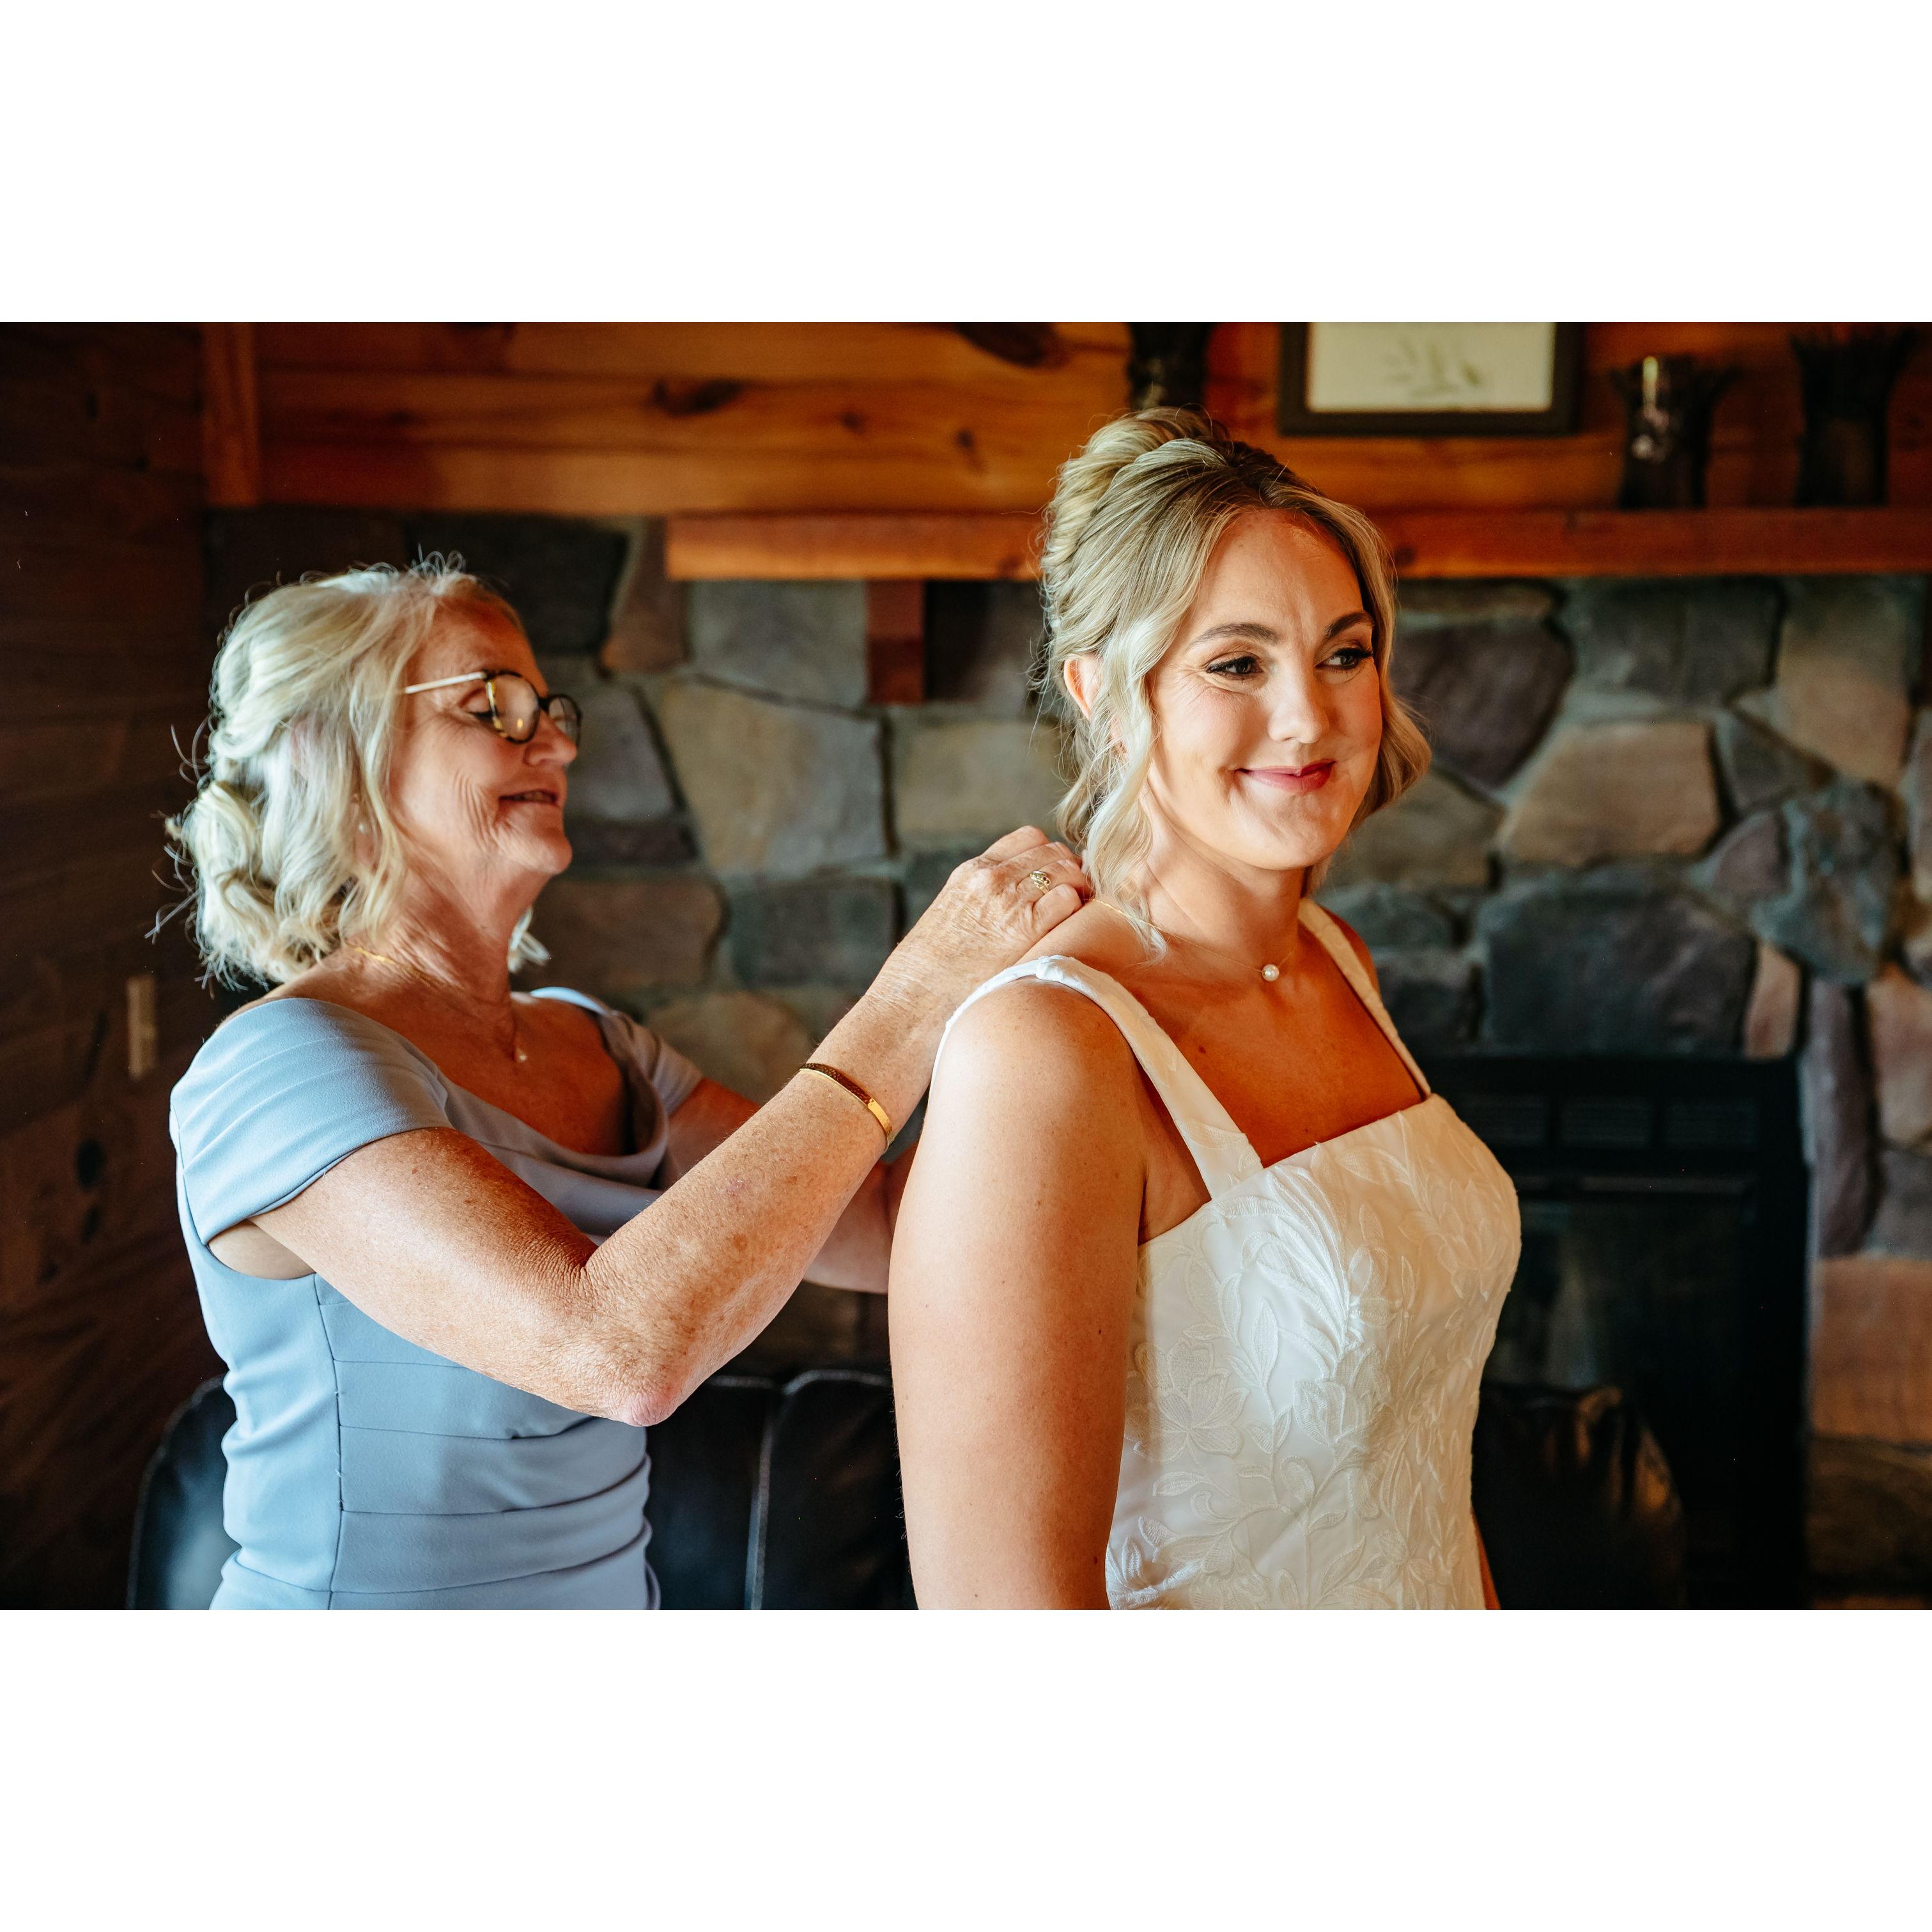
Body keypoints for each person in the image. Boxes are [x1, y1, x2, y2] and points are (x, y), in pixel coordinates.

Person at [165, 560, 1087, 1608]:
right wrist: (917, 992)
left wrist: (1065, 1019)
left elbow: (880, 1223)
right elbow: (615, 1353)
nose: (556, 744)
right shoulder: (281, 1066)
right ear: (331, 753)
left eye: (549, 710)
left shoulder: (601, 1046)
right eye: (493, 705)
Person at [889, 410, 1520, 1609]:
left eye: (1345, 654)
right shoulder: (1045, 1050)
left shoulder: (1337, 958)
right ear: (1103, 695)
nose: (1310, 716)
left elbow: (1415, 1466)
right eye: (1237, 664)